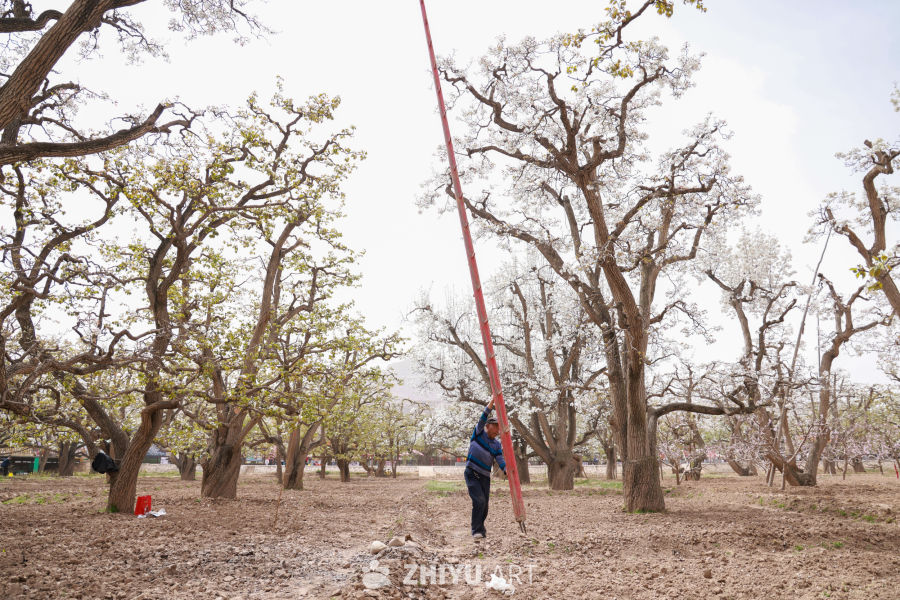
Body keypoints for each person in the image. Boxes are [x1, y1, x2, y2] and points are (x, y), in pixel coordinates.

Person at [464, 397, 506, 539]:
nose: (497, 431)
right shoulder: (478, 433)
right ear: (488, 426)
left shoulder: (496, 444)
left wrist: (505, 469)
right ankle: (476, 530)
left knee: (485, 505)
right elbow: (483, 416)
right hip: (472, 473)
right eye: (495, 428)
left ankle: (481, 529)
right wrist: (492, 401)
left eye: (499, 429)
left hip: (484, 476)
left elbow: (499, 458)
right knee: (479, 501)